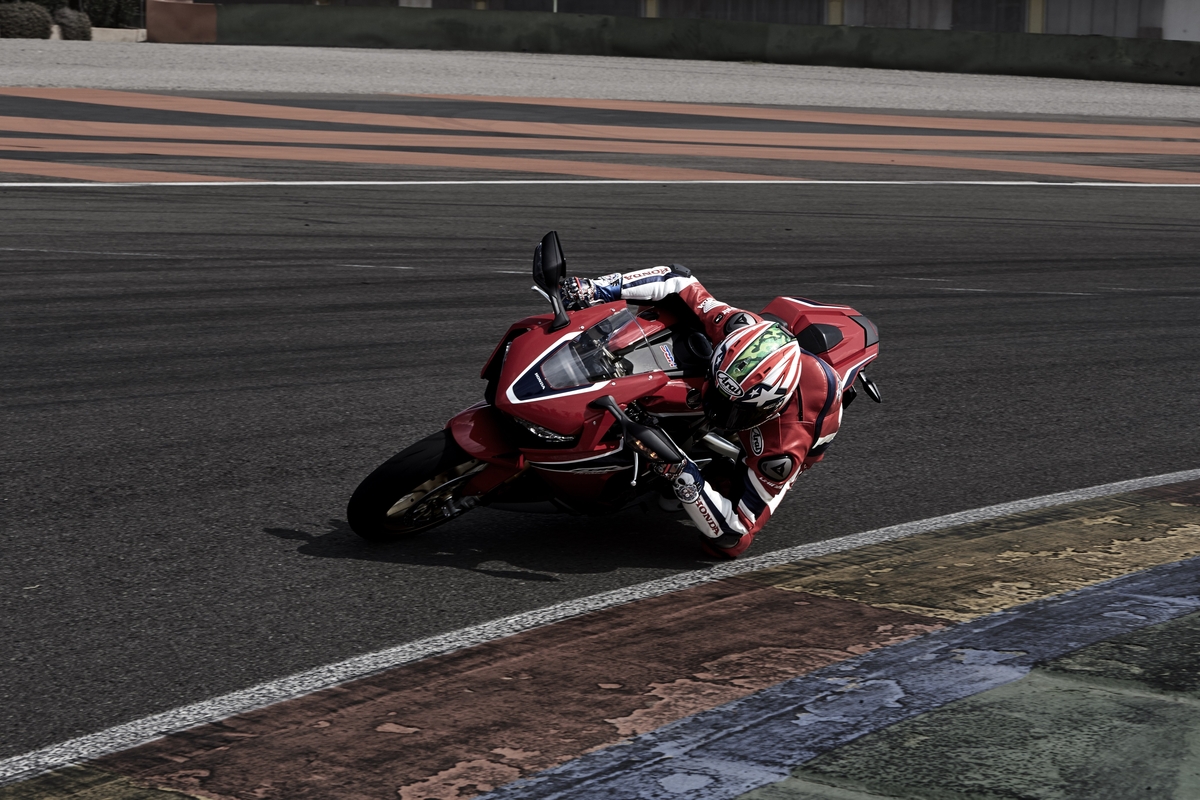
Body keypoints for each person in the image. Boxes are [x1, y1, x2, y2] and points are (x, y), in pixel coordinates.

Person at [562, 265, 844, 559]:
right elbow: (678, 279)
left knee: (718, 513)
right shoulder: (737, 326)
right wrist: (597, 288)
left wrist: (682, 474)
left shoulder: (783, 447)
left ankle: (702, 467)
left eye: (735, 410)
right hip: (741, 374)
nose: (719, 412)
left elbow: (736, 536)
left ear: (771, 408)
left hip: (803, 423)